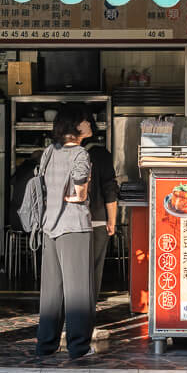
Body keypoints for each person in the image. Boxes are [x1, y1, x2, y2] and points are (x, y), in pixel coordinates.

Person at [36, 105, 95, 360]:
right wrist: (78, 193)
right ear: (76, 126)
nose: (91, 124)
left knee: (51, 291)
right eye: (86, 121)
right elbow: (80, 193)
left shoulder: (49, 152)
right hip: (74, 226)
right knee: (78, 291)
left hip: (50, 226)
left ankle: (46, 344)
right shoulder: (81, 153)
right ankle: (79, 346)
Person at [79, 107, 118, 301]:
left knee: (75, 272)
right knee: (94, 270)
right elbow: (110, 188)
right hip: (98, 219)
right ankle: (88, 314)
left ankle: (73, 316)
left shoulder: (66, 152)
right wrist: (112, 220)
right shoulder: (102, 154)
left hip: (72, 222)